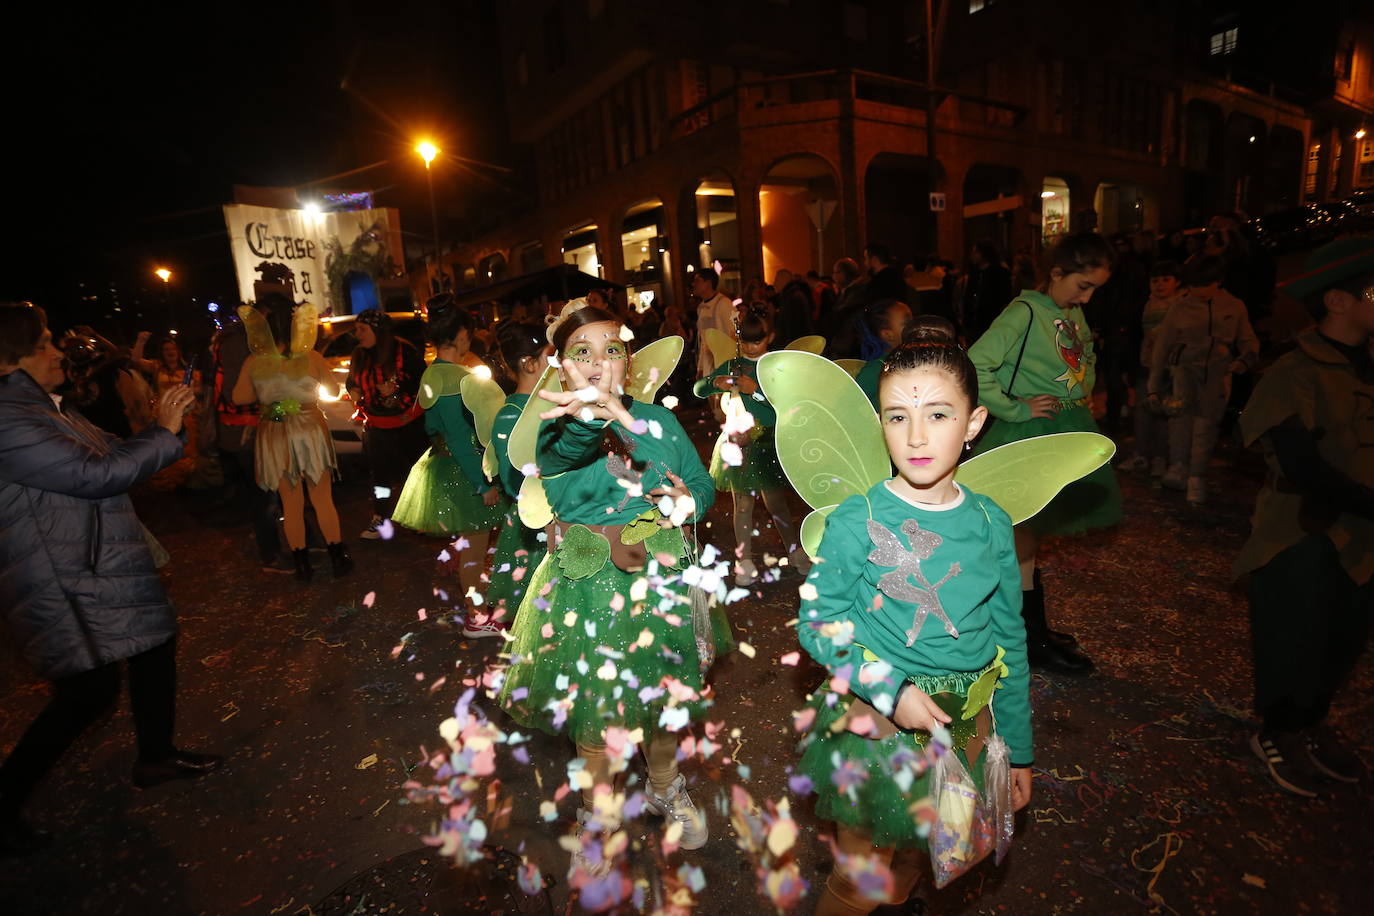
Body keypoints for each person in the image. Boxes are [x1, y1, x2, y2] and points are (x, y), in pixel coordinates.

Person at [795, 326, 1033, 914]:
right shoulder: (860, 520)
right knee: (859, 880)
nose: (917, 436)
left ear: (974, 423)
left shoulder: (992, 522)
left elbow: (1010, 640)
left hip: (966, 723)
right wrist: (889, 691)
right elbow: (818, 624)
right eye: (898, 417)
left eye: (939, 414)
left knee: (920, 858)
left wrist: (1019, 750)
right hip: (880, 729)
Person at [497, 303, 723, 875]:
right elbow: (570, 451)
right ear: (562, 366)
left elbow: (699, 480)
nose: (598, 362)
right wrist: (595, 416)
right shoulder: (558, 425)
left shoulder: (660, 419)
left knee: (665, 700)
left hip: (659, 576)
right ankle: (599, 819)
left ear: (628, 358)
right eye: (582, 352)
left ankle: (664, 785)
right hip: (589, 585)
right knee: (598, 719)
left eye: (611, 349)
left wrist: (687, 500)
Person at [0, 302, 220, 856]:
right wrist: (167, 433)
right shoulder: (8, 418)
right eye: (45, 343)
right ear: (11, 358)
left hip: (93, 562)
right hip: (63, 575)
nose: (57, 352)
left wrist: (157, 428)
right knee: (86, 693)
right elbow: (95, 474)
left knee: (153, 645)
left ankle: (156, 756)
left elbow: (114, 451)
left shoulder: (41, 407)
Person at [1233, 237, 1374, 796]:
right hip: (1303, 533)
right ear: (1338, 300)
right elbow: (1300, 464)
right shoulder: (1295, 372)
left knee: (1344, 636)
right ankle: (1279, 728)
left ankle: (1311, 722)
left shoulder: (1366, 369)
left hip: (1363, 539)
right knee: (1295, 634)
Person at [968, 232, 1122, 675]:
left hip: (1064, 424)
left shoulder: (1067, 311)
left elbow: (1084, 355)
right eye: (1082, 285)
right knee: (1023, 538)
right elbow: (977, 362)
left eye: (1095, 289)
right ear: (1056, 273)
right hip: (1032, 431)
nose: (1087, 298)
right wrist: (1014, 407)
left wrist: (1085, 391)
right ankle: (1025, 640)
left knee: (1032, 539)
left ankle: (1034, 630)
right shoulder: (1024, 311)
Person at [390, 301, 508, 637]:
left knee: (471, 545)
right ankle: (477, 617)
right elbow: (459, 437)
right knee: (475, 548)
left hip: (445, 464)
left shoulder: (432, 373)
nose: (469, 340)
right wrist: (483, 484)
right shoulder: (456, 378)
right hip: (464, 469)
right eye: (467, 334)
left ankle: (476, 606)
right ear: (458, 336)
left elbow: (433, 426)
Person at [232, 299, 353, 582]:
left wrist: (270, 395)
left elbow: (239, 397)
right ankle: (337, 557)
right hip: (309, 428)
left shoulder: (254, 361)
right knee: (322, 498)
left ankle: (301, 564)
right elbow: (333, 389)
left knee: (290, 502)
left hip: (274, 432)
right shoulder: (310, 357)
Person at [693, 310, 811, 585]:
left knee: (777, 503)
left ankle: (794, 552)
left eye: (757, 341)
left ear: (770, 337)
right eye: (745, 341)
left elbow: (788, 404)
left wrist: (754, 390)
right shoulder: (733, 365)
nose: (750, 347)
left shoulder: (775, 366)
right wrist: (714, 382)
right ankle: (743, 560)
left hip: (768, 442)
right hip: (738, 442)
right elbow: (699, 389)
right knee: (742, 504)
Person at [1148, 255, 1258, 505]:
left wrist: (1244, 360)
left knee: (1207, 424)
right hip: (1185, 370)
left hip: (1219, 372)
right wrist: (1154, 384)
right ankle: (1178, 466)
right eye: (1193, 285)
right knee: (1181, 419)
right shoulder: (1180, 306)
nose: (1197, 291)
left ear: (1217, 282)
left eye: (1202, 284)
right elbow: (1162, 346)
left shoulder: (1234, 306)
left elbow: (1248, 340)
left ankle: (1196, 475)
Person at [210, 302, 290, 573]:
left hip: (255, 428)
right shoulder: (239, 345)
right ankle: (270, 555)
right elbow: (236, 395)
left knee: (276, 489)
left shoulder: (247, 342)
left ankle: (303, 540)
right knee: (264, 495)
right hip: (245, 432)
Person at [485, 320, 552, 628]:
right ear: (528, 363)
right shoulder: (511, 416)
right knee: (541, 613)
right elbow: (514, 482)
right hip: (537, 527)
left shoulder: (554, 403)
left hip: (566, 519)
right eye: (551, 356)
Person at [346, 308, 429, 539]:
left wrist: (398, 389)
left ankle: (420, 516)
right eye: (357, 329)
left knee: (413, 474)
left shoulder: (405, 351)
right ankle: (381, 519)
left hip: (408, 425)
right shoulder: (359, 354)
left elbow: (424, 384)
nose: (358, 334)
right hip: (378, 426)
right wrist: (352, 389)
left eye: (362, 329)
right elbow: (351, 380)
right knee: (380, 477)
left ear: (377, 330)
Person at [1117, 261, 1183, 479]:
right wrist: (1129, 366)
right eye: (1155, 280)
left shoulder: (1182, 307)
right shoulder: (1143, 307)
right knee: (1143, 413)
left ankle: (1160, 457)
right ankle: (1141, 454)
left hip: (1170, 369)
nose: (1160, 285)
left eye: (1166, 280)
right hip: (1146, 365)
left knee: (1165, 415)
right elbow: (1133, 337)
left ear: (1177, 282)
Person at [854, 298, 915, 408]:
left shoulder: (915, 360)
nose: (915, 326)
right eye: (907, 323)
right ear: (887, 334)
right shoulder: (875, 371)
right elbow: (848, 407)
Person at [961, 241, 1012, 344]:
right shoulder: (974, 272)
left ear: (984, 254)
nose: (973, 255)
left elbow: (1004, 297)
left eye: (976, 252)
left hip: (990, 321)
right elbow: (969, 295)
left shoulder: (1000, 272)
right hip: (973, 321)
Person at [692, 268, 737, 378]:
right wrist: (700, 367)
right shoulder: (701, 307)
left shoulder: (724, 303)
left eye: (697, 280)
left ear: (708, 283)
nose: (694, 284)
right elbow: (703, 341)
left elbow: (734, 334)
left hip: (723, 363)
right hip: (709, 363)